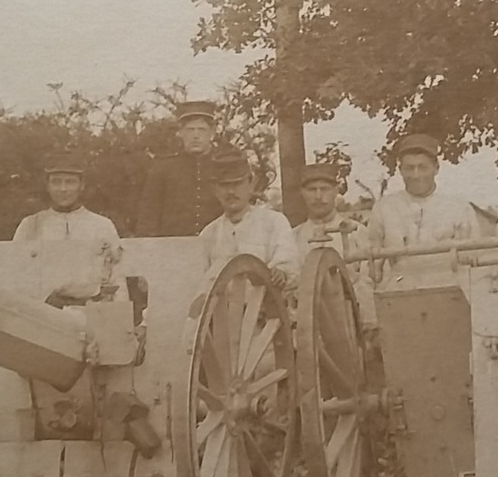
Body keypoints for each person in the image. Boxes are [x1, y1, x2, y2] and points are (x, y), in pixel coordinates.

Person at [12, 149, 123, 305]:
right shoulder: (30, 225)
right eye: (56, 182)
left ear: (81, 185)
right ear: (47, 185)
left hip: (92, 312)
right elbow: (16, 277)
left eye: (70, 182)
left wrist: (118, 320)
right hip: (44, 315)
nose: (63, 189)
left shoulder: (101, 225)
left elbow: (118, 277)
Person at [364, 134, 478, 275]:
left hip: (447, 290)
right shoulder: (384, 208)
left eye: (423, 167)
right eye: (409, 168)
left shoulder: (459, 208)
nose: (416, 175)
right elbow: (371, 259)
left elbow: (472, 261)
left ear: (436, 168)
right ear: (400, 170)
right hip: (397, 290)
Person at [294, 162, 379, 340]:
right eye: (312, 190)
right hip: (307, 326)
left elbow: (368, 278)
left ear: (336, 191)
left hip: (352, 322)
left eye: (324, 189)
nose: (318, 196)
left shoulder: (357, 232)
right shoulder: (294, 237)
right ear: (302, 193)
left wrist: (366, 322)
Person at [196, 148, 300, 290]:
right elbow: (200, 284)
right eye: (224, 185)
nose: (231, 191)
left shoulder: (274, 222)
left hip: (266, 309)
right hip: (221, 310)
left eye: (237, 183)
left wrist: (281, 272)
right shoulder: (208, 234)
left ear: (251, 184)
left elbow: (288, 265)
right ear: (215, 190)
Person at [134, 100, 224, 237]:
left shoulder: (225, 166)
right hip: (173, 248)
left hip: (217, 246)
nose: (196, 136)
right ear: (180, 133)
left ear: (212, 133)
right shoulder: (163, 168)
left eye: (202, 129)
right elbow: (148, 216)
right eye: (190, 130)